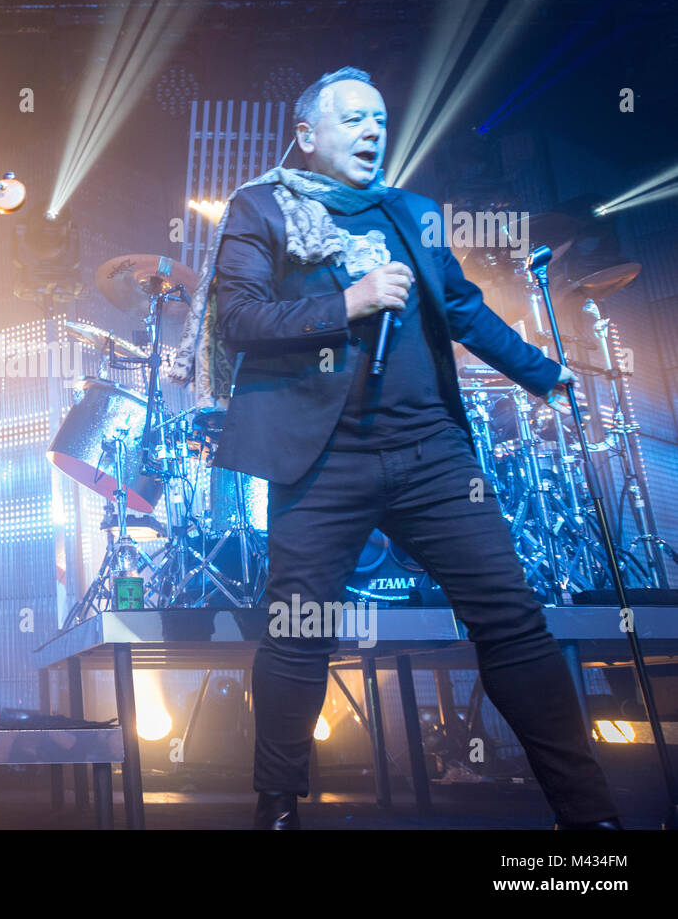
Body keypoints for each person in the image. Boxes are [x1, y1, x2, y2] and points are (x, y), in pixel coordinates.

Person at [171, 66, 620, 830]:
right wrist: (350, 300)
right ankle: (276, 810)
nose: (373, 132)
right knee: (297, 633)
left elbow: (465, 311)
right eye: (352, 120)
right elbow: (241, 319)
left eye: (380, 119)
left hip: (431, 454)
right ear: (307, 134)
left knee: (512, 622)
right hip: (320, 460)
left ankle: (590, 819)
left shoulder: (413, 212)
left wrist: (547, 375)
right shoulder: (261, 208)